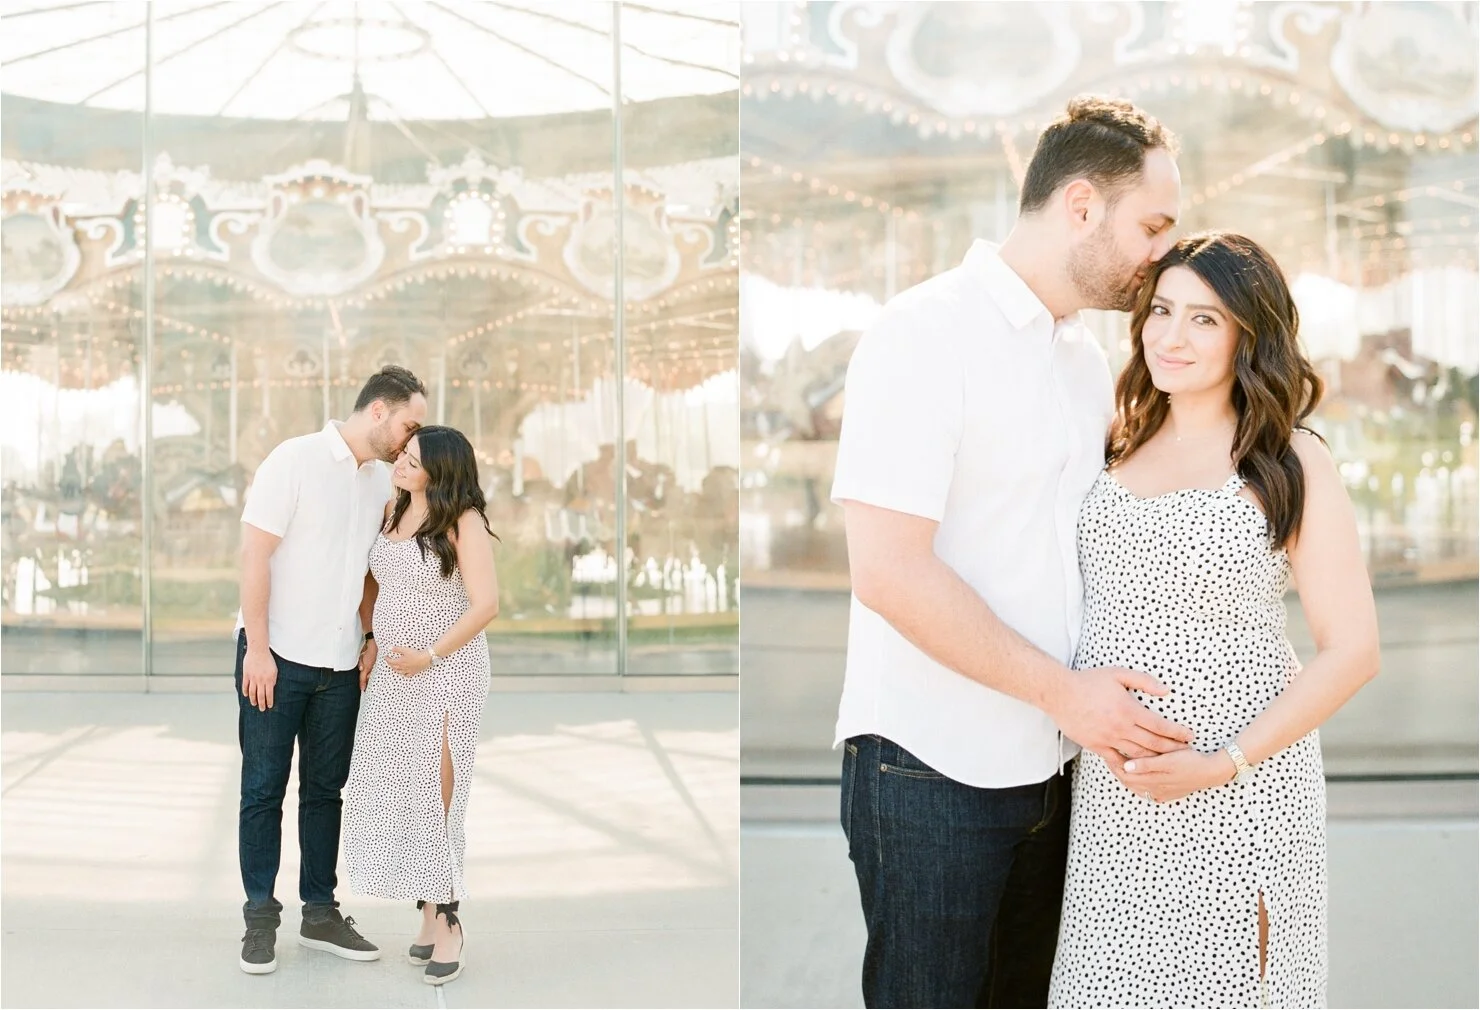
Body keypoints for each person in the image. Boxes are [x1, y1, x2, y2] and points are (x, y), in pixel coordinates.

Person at [830, 95, 1190, 1009]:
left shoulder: (1081, 359)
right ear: (1080, 206)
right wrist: (1066, 694)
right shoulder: (921, 333)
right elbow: (888, 570)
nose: (1162, 252)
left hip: (1055, 769)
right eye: (1152, 225)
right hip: (928, 769)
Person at [1048, 232, 1380, 1008]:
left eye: (1204, 319)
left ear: (1247, 334)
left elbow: (1352, 651)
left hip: (1242, 782)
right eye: (1161, 310)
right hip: (1114, 791)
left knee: (1232, 985)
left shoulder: (1288, 459)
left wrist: (1224, 761)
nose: (1171, 335)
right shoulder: (1112, 442)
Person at [234, 365, 428, 975]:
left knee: (326, 792)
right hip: (276, 656)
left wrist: (368, 634)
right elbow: (254, 555)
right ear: (378, 411)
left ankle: (319, 912)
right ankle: (261, 919)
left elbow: (369, 568)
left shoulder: (381, 483)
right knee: (263, 791)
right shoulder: (293, 460)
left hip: (341, 663)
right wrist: (258, 649)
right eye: (408, 423)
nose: (410, 437)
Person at [342, 425, 500, 987]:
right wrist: (373, 640)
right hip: (393, 675)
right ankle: (426, 909)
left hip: (446, 673)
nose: (401, 463)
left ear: (442, 469)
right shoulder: (390, 511)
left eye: (413, 459)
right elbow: (377, 586)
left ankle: (450, 915)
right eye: (402, 455)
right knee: (402, 791)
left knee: (438, 793)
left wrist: (430, 655)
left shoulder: (462, 521)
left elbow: (486, 605)